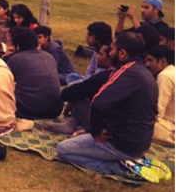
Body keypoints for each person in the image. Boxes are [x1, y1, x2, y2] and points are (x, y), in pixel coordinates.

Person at [57, 32, 158, 177]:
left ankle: (116, 166)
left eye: (112, 49)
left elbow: (98, 103)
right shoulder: (142, 72)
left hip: (121, 144)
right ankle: (126, 159)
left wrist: (97, 132)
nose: (110, 53)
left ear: (122, 53)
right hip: (138, 143)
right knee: (78, 140)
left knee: (63, 149)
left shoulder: (126, 72)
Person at [43, 44, 115, 135]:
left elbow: (70, 93)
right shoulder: (117, 73)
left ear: (110, 58)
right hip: (108, 119)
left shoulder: (106, 77)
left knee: (77, 92)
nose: (97, 57)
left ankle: (85, 128)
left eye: (100, 54)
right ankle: (72, 123)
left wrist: (69, 99)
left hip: (104, 125)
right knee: (75, 85)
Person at [6, 27, 63, 119]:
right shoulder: (49, 57)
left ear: (17, 45)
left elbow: (3, 82)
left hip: (29, 110)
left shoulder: (15, 59)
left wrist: (5, 56)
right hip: (55, 109)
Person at [145, 45, 175, 146]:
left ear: (163, 61)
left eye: (150, 60)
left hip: (171, 128)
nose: (147, 64)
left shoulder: (165, 76)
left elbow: (157, 111)